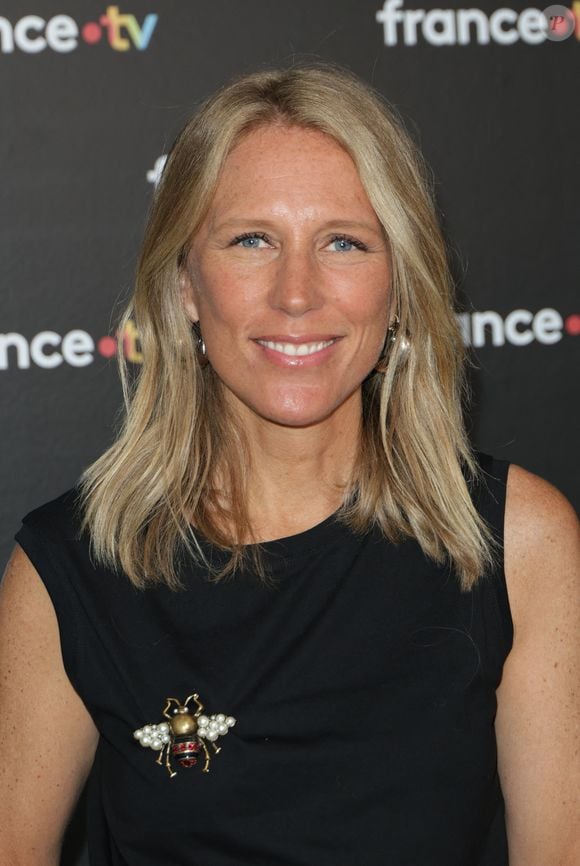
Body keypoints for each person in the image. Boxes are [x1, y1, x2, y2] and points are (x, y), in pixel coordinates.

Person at [0, 62, 578, 866]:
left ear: (400, 283)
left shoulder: (520, 544)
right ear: (185, 286)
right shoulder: (72, 567)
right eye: (252, 241)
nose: (297, 293)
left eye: (344, 242)